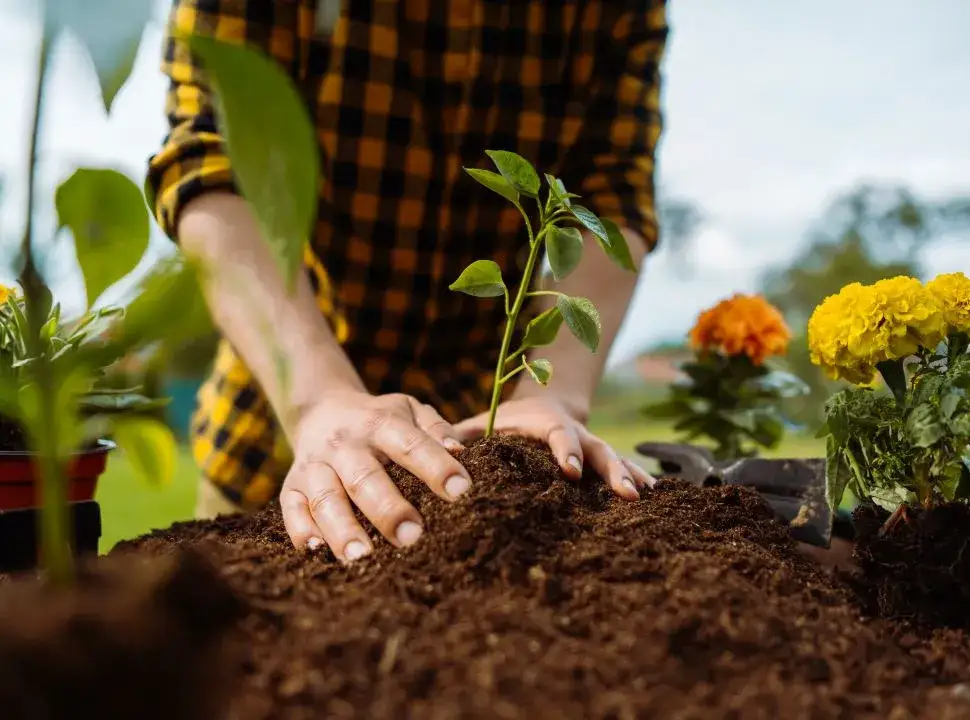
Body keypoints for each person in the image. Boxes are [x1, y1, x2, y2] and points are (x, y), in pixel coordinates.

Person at [145, 0, 668, 563]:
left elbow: (613, 195)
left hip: (476, 442)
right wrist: (318, 400)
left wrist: (552, 391)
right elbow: (212, 154)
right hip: (275, 430)